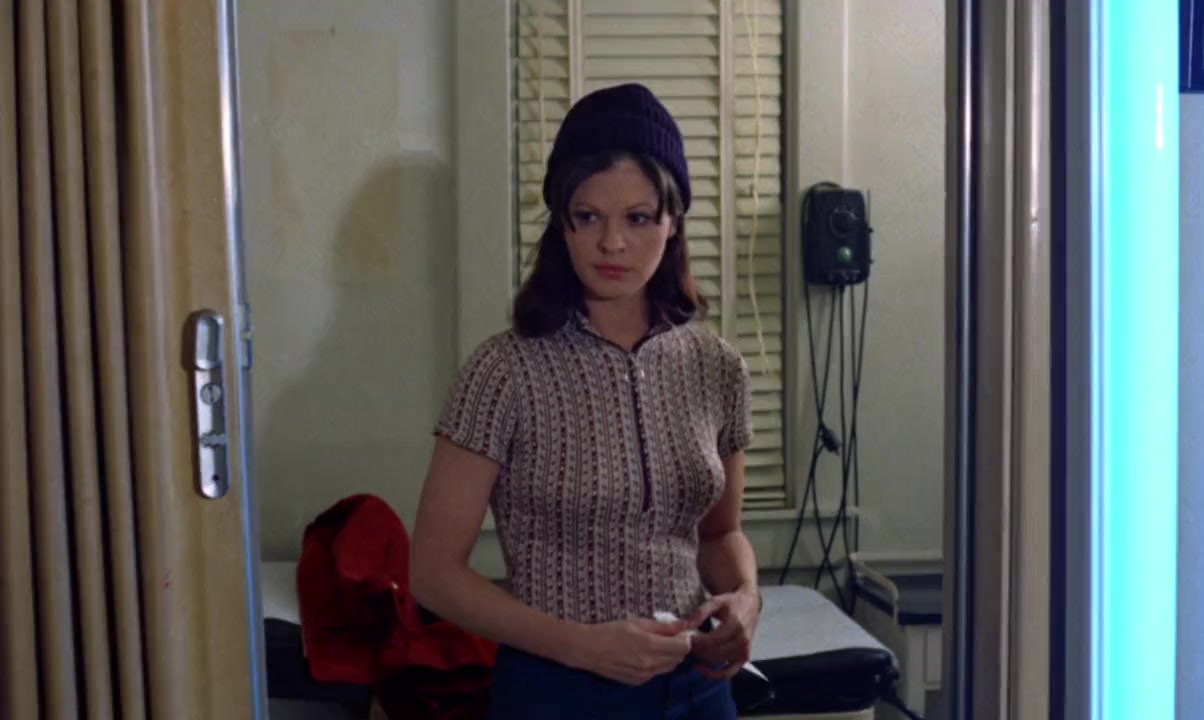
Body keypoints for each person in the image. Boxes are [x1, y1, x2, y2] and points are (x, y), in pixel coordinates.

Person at [411, 82, 762, 719]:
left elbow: (720, 533)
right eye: (588, 216)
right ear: (562, 223)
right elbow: (434, 573)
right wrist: (582, 647)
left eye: (638, 217)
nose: (612, 244)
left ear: (673, 221)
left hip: (697, 688)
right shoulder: (503, 371)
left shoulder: (718, 368)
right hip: (558, 690)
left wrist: (746, 598)